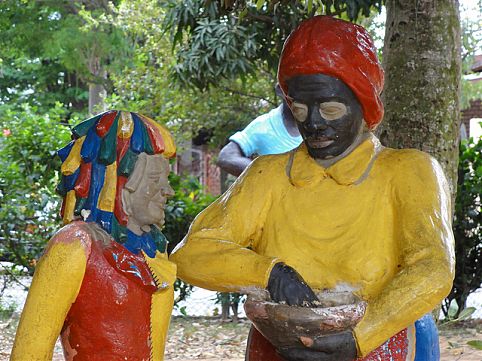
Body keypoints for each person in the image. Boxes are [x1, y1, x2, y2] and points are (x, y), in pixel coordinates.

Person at [171, 16, 454, 361]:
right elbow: (189, 253)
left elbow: (433, 267)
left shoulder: (409, 171)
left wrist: (360, 336)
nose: (314, 123)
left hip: (382, 341)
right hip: (278, 344)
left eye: (330, 108)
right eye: (300, 109)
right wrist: (270, 273)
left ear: (364, 103)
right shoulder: (268, 174)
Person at [11, 110, 177, 361]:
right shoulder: (75, 246)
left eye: (167, 179)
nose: (168, 191)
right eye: (155, 179)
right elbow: (29, 352)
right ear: (120, 182)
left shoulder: (153, 247)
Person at [217, 86, 302, 176]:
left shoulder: (317, 124)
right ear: (280, 89)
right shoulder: (264, 126)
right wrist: (267, 175)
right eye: (301, 86)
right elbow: (226, 157)